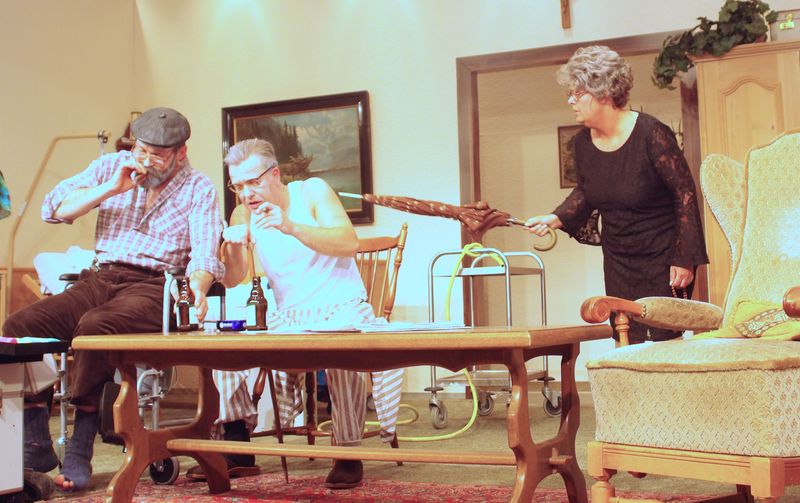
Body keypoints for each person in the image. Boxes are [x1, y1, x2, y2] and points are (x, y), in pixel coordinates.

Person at [2, 107, 225, 491]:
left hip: (156, 285)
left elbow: (205, 256)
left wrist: (199, 289)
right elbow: (52, 208)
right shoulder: (111, 166)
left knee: (96, 326)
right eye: (142, 150)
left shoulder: (198, 187)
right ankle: (35, 440)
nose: (147, 160)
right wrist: (109, 188)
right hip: (101, 277)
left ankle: (81, 442)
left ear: (180, 152)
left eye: (158, 154)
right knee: (19, 325)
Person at [188, 138, 403, 490]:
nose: (246, 194)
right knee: (224, 343)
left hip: (341, 307)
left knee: (342, 345)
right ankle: (237, 441)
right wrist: (233, 247)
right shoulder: (244, 213)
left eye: (253, 182)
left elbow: (348, 243)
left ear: (274, 175)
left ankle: (347, 451)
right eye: (238, 186)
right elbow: (233, 278)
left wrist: (290, 226)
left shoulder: (311, 192)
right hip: (289, 317)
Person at [525, 45, 708, 344]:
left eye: (577, 93)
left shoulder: (652, 134)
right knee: (625, 338)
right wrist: (554, 218)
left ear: (603, 93)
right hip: (618, 258)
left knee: (662, 341)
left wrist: (685, 258)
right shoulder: (582, 143)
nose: (570, 101)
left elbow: (684, 194)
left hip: (662, 257)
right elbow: (587, 190)